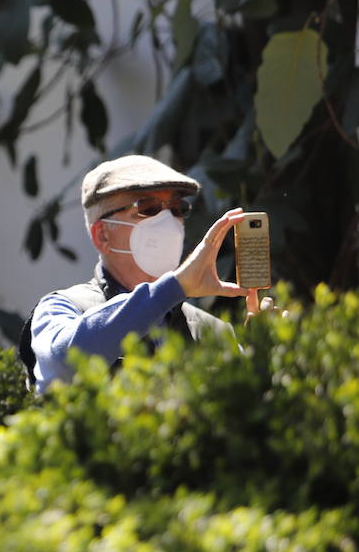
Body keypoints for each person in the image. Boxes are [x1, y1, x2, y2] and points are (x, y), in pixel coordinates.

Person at [19, 154, 266, 393]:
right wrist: (173, 288)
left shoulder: (212, 330)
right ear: (102, 235)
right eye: (148, 208)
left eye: (177, 208)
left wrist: (262, 361)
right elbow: (63, 364)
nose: (168, 221)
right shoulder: (61, 307)